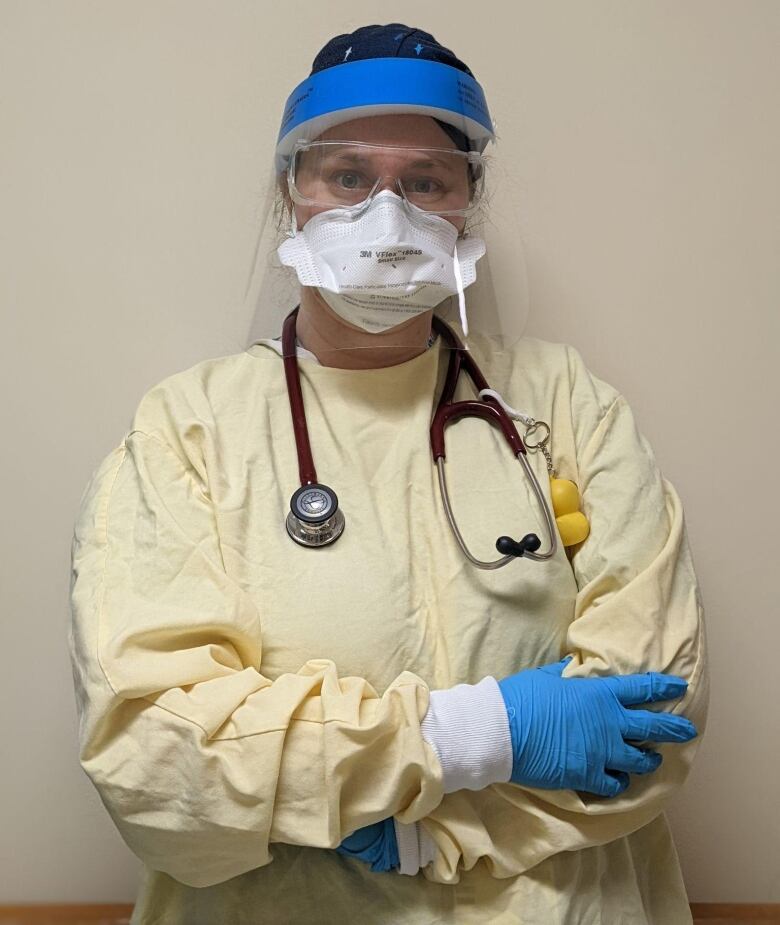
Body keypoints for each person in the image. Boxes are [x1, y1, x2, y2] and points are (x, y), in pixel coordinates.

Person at [68, 23, 709, 925]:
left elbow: (654, 710)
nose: (387, 211)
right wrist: (474, 735)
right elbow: (155, 754)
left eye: (425, 181)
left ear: (466, 203)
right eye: (347, 176)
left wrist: (417, 831)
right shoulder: (189, 428)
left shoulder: (563, 402)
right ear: (292, 194)